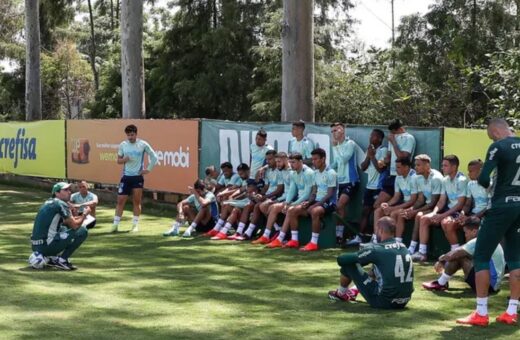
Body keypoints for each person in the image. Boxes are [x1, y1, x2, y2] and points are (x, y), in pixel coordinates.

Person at [457, 118, 520, 326]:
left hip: (501, 206)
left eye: (491, 136)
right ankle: (511, 312)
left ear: (496, 132)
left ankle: (481, 313)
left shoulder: (498, 146)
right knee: (516, 260)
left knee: (482, 256)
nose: (492, 139)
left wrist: (490, 183)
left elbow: (483, 178)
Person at [328, 217, 414, 309]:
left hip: (383, 301)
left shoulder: (377, 249)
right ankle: (353, 291)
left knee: (350, 264)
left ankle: (341, 293)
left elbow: (342, 260)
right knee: (377, 268)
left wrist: (361, 256)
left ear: (380, 230)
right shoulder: (404, 247)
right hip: (404, 301)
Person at [422, 216, 505, 294]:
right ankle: (441, 282)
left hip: (488, 286)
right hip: (492, 285)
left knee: (460, 256)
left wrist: (441, 261)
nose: (465, 235)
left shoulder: (478, 240)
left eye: (465, 232)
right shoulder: (486, 237)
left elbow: (456, 253)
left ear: (474, 231)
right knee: (462, 254)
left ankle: (441, 283)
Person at [412, 155, 467, 262]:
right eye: (442, 165)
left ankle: (455, 253)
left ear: (454, 167)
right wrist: (434, 212)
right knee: (424, 218)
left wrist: (442, 215)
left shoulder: (462, 180)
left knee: (446, 223)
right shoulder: (445, 180)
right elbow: (441, 201)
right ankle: (422, 253)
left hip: (459, 212)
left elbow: (460, 205)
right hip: (448, 211)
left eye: (445, 166)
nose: (442, 168)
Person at [29, 182, 90, 270]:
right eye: (65, 190)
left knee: (63, 228)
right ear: (56, 193)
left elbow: (66, 222)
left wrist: (73, 212)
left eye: (69, 190)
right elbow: (75, 226)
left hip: (36, 246)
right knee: (82, 230)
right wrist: (84, 214)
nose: (69, 192)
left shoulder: (49, 202)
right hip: (46, 246)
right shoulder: (60, 203)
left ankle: (52, 258)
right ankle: (62, 260)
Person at [112, 124, 158, 233]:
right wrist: (124, 159)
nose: (130, 137)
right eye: (128, 135)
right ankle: (115, 225)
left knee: (136, 202)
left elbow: (154, 157)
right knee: (120, 201)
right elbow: (118, 161)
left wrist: (148, 169)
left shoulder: (143, 144)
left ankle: (135, 225)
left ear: (136, 134)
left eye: (132, 135)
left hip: (137, 178)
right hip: (126, 177)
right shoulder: (123, 145)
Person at [266, 152, 315, 248]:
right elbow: (292, 190)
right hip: (298, 200)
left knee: (290, 210)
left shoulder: (308, 173)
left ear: (300, 162)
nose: (291, 165)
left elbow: (307, 194)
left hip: (308, 201)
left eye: (293, 162)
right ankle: (267, 235)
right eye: (290, 162)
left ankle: (281, 238)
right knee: (275, 207)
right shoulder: (293, 173)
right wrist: (287, 203)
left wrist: (292, 204)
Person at [347, 129, 388, 246]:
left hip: (379, 186)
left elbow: (380, 169)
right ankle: (360, 236)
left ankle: (377, 238)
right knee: (365, 211)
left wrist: (373, 156)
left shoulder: (384, 150)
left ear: (380, 139)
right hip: (369, 186)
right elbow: (363, 167)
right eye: (371, 135)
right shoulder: (369, 150)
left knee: (377, 212)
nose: (371, 138)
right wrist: (369, 156)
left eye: (374, 136)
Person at [236, 150, 284, 240]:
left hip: (276, 197)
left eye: (270, 159)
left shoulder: (280, 171)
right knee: (249, 205)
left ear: (276, 158)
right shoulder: (267, 171)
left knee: (258, 206)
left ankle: (250, 233)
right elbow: (266, 186)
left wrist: (264, 197)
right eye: (267, 159)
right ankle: (240, 232)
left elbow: (279, 190)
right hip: (267, 196)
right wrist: (259, 195)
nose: (268, 161)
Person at [299, 148, 337, 251]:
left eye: (316, 159)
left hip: (329, 202)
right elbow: (314, 192)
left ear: (323, 159)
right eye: (313, 159)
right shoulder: (315, 173)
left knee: (315, 211)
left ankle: (313, 243)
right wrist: (308, 202)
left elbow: (330, 194)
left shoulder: (331, 173)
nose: (313, 162)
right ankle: (293, 240)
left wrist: (316, 205)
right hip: (318, 201)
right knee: (293, 210)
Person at [372, 157, 417, 243]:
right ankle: (376, 239)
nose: (396, 170)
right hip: (404, 202)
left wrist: (393, 208)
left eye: (398, 167)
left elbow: (412, 200)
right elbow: (396, 197)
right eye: (396, 167)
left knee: (394, 213)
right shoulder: (398, 177)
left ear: (406, 167)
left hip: (413, 205)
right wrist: (387, 205)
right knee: (378, 211)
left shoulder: (414, 178)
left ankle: (395, 242)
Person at [250, 152, 291, 244]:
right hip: (284, 198)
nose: (277, 164)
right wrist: (260, 195)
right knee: (261, 205)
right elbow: (259, 181)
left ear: (285, 160)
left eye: (278, 161)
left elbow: (283, 190)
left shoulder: (290, 172)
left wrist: (276, 199)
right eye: (276, 162)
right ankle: (276, 230)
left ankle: (276, 235)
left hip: (288, 199)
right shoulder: (281, 171)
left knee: (271, 206)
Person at [406, 154, 443, 255]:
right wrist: (411, 208)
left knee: (419, 215)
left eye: (418, 165)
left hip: (439, 208)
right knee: (415, 214)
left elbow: (433, 203)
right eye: (415, 165)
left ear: (427, 166)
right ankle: (412, 248)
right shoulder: (418, 178)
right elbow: (421, 199)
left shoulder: (436, 178)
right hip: (428, 207)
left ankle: (421, 251)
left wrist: (415, 211)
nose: (415, 167)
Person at [330, 122, 360, 245]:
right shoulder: (337, 146)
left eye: (336, 130)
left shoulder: (350, 144)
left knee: (340, 205)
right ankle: (338, 235)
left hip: (351, 181)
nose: (334, 133)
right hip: (340, 181)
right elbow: (336, 163)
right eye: (332, 131)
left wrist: (335, 147)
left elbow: (344, 159)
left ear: (342, 130)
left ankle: (341, 235)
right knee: (338, 207)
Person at [376, 119, 416, 206]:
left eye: (394, 132)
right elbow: (389, 157)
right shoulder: (392, 138)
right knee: (377, 205)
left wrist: (394, 142)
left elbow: (403, 158)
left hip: (403, 176)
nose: (393, 134)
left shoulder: (409, 138)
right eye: (392, 132)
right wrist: (382, 161)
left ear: (400, 129)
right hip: (391, 175)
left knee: (394, 206)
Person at [204, 163, 251, 237]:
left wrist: (228, 196)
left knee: (229, 205)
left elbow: (242, 192)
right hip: (243, 201)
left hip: (248, 201)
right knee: (227, 205)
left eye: (242, 174)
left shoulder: (250, 179)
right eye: (239, 174)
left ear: (248, 171)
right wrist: (230, 196)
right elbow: (238, 189)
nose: (240, 176)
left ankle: (224, 230)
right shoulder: (242, 179)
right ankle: (219, 229)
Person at [456, 159, 489, 227]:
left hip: (486, 215)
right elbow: (467, 204)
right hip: (474, 213)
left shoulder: (490, 185)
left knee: (471, 226)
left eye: (471, 171)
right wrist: (462, 213)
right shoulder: (470, 184)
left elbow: (489, 208)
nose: (468, 173)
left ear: (480, 171)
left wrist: (470, 218)